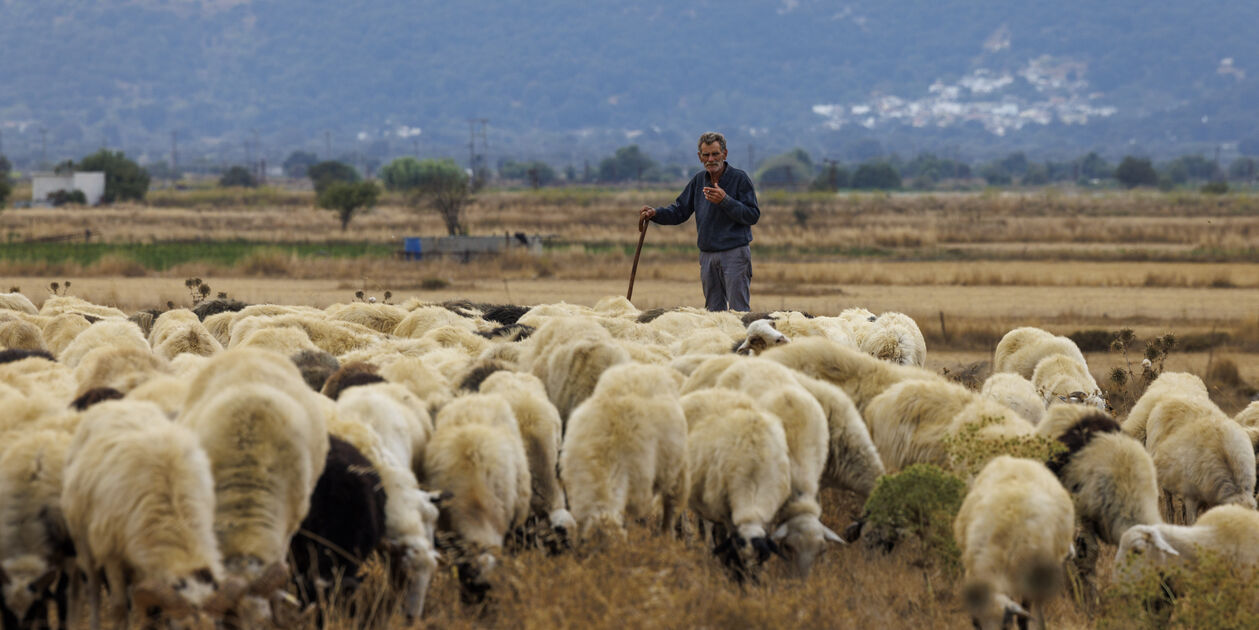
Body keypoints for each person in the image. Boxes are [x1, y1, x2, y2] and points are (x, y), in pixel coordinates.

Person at [639, 132, 760, 312]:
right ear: (700, 157)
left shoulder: (739, 179)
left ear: (725, 154)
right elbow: (679, 211)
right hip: (707, 256)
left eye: (715, 154)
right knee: (713, 312)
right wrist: (655, 213)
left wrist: (725, 200)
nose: (711, 159)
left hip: (734, 254)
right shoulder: (698, 181)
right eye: (706, 155)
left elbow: (752, 215)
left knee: (739, 311)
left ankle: (739, 340)